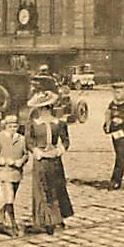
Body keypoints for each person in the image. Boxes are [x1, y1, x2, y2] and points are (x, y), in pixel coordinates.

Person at [26, 91, 74, 234]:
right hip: (41, 161)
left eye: (48, 108)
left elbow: (65, 141)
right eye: (42, 108)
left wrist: (59, 150)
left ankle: (58, 218)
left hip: (55, 161)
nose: (45, 111)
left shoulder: (58, 123)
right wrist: (36, 151)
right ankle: (45, 220)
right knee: (42, 189)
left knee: (57, 187)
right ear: (38, 110)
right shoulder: (33, 124)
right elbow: (29, 141)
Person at [0, 114, 28, 237]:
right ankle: (12, 224)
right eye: (10, 126)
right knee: (9, 198)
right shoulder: (0, 138)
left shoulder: (21, 139)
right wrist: (4, 161)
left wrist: (21, 161)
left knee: (11, 197)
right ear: (5, 126)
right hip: (4, 173)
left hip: (16, 173)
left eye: (15, 126)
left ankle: (2, 212)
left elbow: (25, 154)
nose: (13, 128)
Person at [103, 82, 124, 190]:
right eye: (115, 92)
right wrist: (106, 126)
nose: (117, 94)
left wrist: (122, 121)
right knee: (121, 156)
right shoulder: (112, 104)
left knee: (120, 157)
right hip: (115, 134)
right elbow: (108, 117)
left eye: (119, 91)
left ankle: (116, 180)